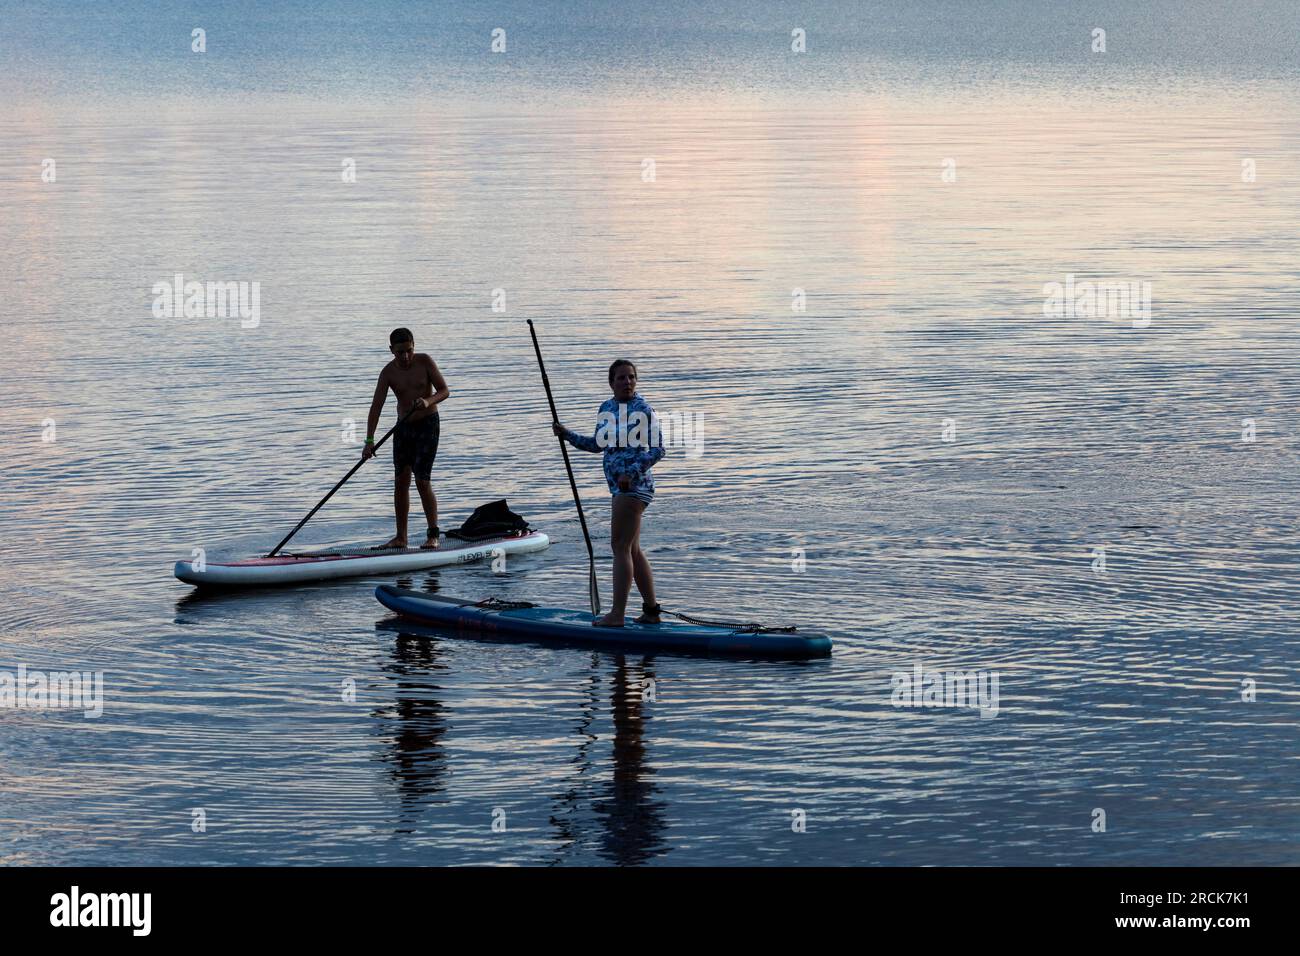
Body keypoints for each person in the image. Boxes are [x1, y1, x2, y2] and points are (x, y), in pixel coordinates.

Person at [553, 359, 665, 627]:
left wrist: (632, 472)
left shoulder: (643, 409)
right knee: (633, 550)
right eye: (621, 378)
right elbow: (597, 445)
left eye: (631, 377)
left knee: (619, 547)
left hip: (634, 487)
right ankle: (651, 611)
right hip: (617, 487)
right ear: (611, 382)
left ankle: (617, 614)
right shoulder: (606, 408)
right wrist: (567, 435)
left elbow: (658, 449)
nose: (627, 382)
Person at [363, 328, 449, 549]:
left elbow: (444, 390)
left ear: (414, 346)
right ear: (391, 350)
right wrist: (369, 442)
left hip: (427, 425)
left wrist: (428, 401)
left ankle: (433, 535)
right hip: (403, 428)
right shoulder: (388, 373)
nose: (405, 357)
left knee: (422, 481)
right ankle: (401, 537)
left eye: (409, 351)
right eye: (400, 352)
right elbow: (376, 407)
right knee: (401, 482)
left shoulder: (425, 361)